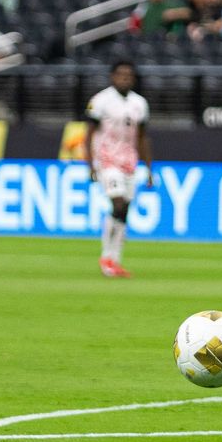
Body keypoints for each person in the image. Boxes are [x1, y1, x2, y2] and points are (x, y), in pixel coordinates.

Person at [85, 60, 153, 279]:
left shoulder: (140, 103)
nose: (124, 78)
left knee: (124, 210)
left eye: (128, 75)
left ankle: (114, 259)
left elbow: (142, 137)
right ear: (112, 77)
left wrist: (149, 167)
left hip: (129, 163)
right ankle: (107, 257)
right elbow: (89, 134)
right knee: (118, 203)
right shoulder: (100, 101)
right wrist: (90, 164)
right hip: (106, 161)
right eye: (120, 74)